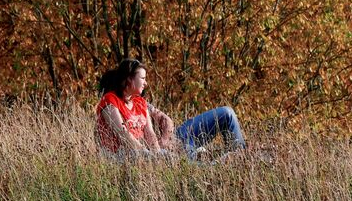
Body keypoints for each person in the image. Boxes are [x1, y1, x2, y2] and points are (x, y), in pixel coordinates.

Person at [94, 58, 246, 162]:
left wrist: (162, 143)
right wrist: (153, 155)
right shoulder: (110, 101)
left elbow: (160, 125)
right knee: (185, 162)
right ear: (128, 79)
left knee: (227, 113)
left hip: (176, 142)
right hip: (154, 155)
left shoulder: (140, 103)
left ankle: (240, 157)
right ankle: (209, 163)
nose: (146, 83)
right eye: (142, 78)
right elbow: (124, 134)